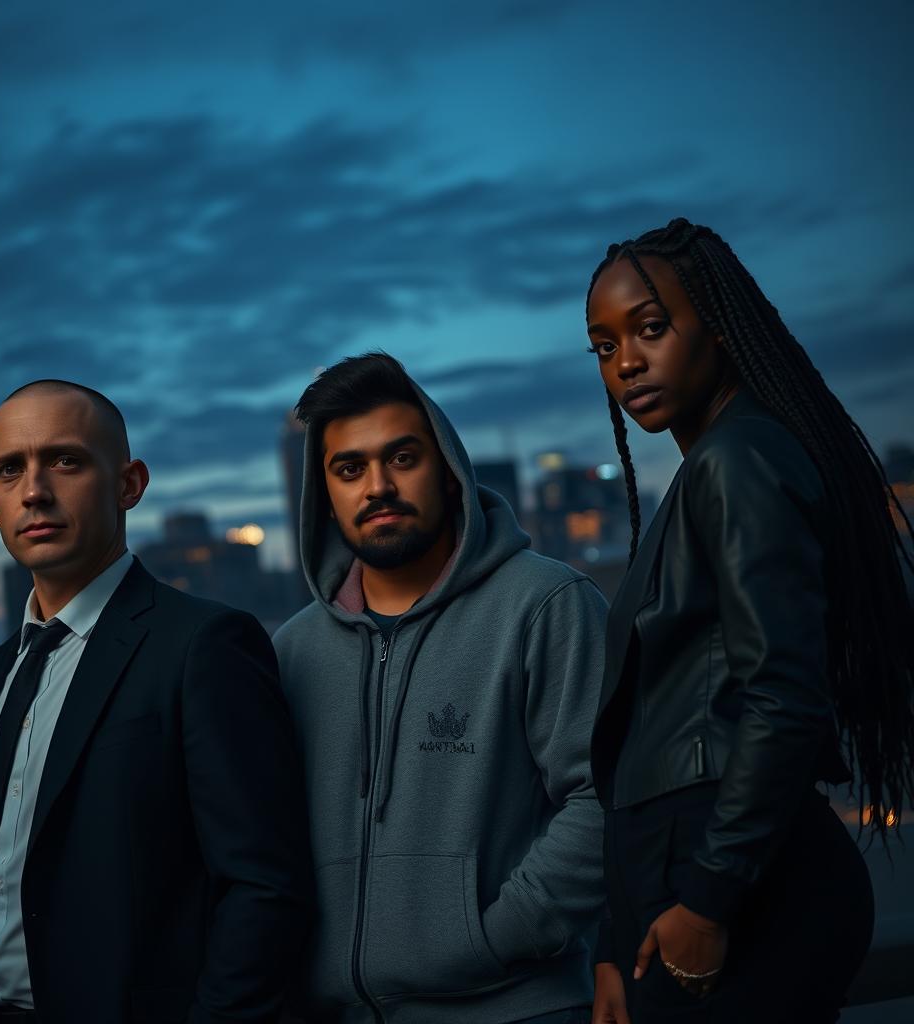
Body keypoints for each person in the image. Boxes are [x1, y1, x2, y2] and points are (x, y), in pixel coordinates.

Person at [583, 219, 914, 1023]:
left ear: (719, 324)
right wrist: (612, 944)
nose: (627, 361)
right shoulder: (714, 467)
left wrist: (707, 905)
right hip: (696, 888)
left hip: (735, 898)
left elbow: (785, 698)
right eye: (603, 345)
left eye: (650, 328)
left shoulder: (739, 462)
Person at [0, 380, 312, 1024]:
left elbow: (264, 887)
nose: (34, 490)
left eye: (66, 461)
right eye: (9, 471)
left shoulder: (204, 645)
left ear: (129, 484)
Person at [273, 352, 609, 1024]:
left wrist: (493, 939)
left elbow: (604, 792)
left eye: (403, 458)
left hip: (517, 1008)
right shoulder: (292, 651)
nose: (377, 487)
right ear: (325, 494)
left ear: (449, 472)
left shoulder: (544, 604)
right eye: (350, 469)